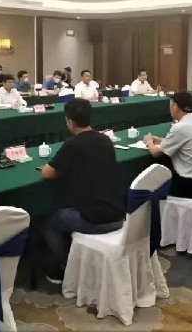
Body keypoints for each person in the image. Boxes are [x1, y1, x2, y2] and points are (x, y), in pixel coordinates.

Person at [41, 98, 125, 283]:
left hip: (96, 220)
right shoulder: (105, 140)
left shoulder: (73, 144)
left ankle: (63, 269)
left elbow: (47, 173)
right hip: (119, 215)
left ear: (70, 122)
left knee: (50, 221)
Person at [143, 92, 192, 198]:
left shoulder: (180, 127)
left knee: (151, 189)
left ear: (175, 107)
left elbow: (155, 153)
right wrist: (159, 140)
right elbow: (183, 141)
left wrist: (149, 141)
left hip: (190, 187)